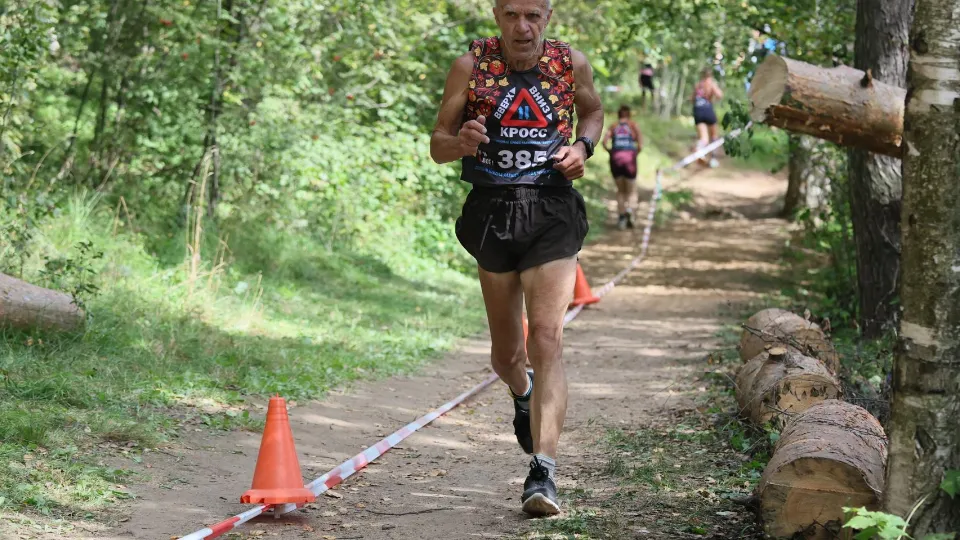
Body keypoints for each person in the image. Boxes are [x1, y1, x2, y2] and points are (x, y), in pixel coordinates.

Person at [429, 0, 604, 517]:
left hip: (552, 209)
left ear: (548, 15)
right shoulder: (470, 66)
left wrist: (583, 147)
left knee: (546, 339)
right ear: (495, 15)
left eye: (532, 15)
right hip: (492, 213)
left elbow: (593, 112)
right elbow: (437, 145)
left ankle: (543, 473)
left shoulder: (570, 63)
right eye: (511, 14)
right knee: (507, 357)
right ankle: (522, 394)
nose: (522, 26)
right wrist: (461, 143)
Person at [602, 105, 642, 230]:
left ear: (618, 115)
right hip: (629, 158)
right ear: (629, 115)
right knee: (632, 190)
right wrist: (634, 154)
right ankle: (630, 212)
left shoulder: (613, 126)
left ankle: (622, 217)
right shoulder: (633, 125)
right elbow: (640, 145)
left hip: (616, 158)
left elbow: (604, 142)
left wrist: (611, 152)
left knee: (620, 191)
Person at [691, 66, 723, 168]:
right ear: (710, 75)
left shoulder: (698, 85)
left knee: (704, 138)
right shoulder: (711, 83)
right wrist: (712, 98)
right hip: (708, 109)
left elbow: (692, 99)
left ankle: (699, 149)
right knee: (714, 136)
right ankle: (713, 159)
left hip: (697, 110)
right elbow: (719, 95)